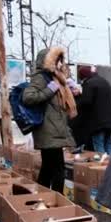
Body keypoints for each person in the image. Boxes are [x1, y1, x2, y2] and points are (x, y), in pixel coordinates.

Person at [23, 47, 77, 193]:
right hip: (48, 130)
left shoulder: (56, 78)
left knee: (48, 167)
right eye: (56, 60)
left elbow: (58, 104)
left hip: (54, 129)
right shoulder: (41, 77)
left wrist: (71, 90)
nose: (59, 64)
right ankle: (58, 200)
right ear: (48, 61)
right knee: (58, 169)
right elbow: (28, 97)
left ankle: (43, 198)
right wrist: (50, 89)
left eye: (60, 60)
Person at [78, 66, 111, 155]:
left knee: (99, 147)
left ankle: (101, 167)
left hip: (97, 122)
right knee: (108, 145)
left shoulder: (89, 83)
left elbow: (86, 102)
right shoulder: (104, 81)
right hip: (110, 121)